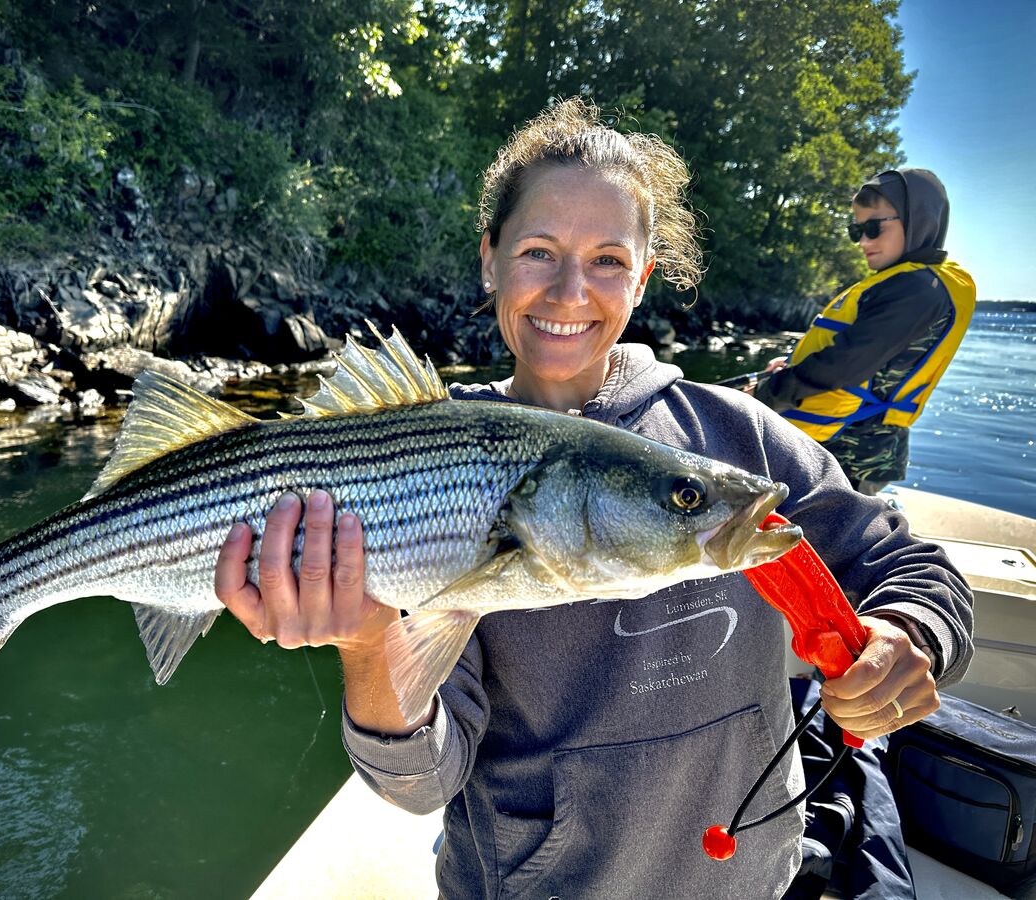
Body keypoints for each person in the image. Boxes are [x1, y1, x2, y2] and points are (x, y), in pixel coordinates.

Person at [213, 100, 973, 897]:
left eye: (609, 259)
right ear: (490, 259)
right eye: (539, 251)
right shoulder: (435, 460)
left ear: (644, 278)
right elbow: (419, 783)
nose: (571, 290)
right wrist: (370, 651)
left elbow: (907, 563)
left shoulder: (738, 439)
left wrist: (907, 635)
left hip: (751, 879)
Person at [750, 169, 977, 494]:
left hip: (853, 448)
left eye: (873, 228)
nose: (864, 242)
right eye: (856, 230)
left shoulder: (918, 290)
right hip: (851, 440)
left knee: (830, 533)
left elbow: (847, 362)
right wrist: (790, 364)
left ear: (919, 221)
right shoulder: (907, 282)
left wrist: (772, 390)